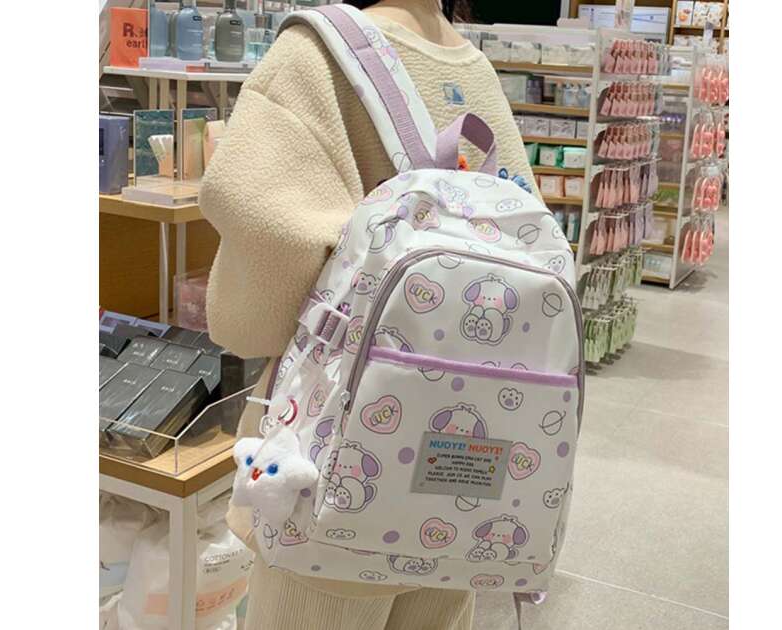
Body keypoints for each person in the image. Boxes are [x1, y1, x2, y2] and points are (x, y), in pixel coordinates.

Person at [199, 1, 540, 627]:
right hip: (472, 467)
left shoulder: (315, 52)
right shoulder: (475, 68)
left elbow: (261, 232)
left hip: (335, 463)